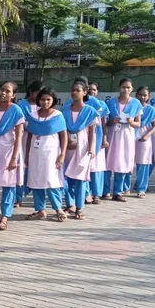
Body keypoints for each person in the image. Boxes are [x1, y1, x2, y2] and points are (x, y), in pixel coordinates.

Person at [0, 82, 26, 231]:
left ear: (13, 95)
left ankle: (5, 216)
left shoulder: (16, 111)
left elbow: (19, 137)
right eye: (2, 89)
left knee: (8, 184)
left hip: (9, 152)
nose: (3, 93)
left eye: (7, 91)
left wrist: (15, 158)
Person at [25, 88, 68, 222]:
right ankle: (40, 210)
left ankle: (58, 209)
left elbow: (64, 136)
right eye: (43, 99)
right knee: (36, 181)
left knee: (51, 181)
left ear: (53, 100)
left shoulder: (57, 116)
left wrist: (62, 154)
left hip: (52, 153)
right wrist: (26, 154)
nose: (45, 102)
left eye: (48, 99)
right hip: (35, 153)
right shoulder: (33, 116)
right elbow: (29, 136)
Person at [61, 82, 98, 219]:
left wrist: (91, 148)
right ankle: (70, 204)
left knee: (80, 178)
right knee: (67, 177)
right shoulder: (64, 110)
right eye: (73, 90)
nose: (74, 92)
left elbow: (92, 132)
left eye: (78, 90)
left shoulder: (90, 111)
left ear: (85, 92)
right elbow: (61, 130)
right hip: (67, 147)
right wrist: (66, 143)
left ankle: (79, 207)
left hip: (83, 149)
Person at [105, 78, 143, 202]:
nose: (125, 90)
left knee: (123, 162)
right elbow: (106, 122)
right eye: (123, 87)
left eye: (128, 87)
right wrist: (113, 120)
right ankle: (105, 190)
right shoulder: (111, 102)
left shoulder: (136, 103)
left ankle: (118, 191)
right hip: (113, 135)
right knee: (108, 161)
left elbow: (138, 123)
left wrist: (132, 122)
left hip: (127, 136)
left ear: (132, 89)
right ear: (119, 88)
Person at [134, 86, 155, 197]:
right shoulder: (131, 107)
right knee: (127, 162)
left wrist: (147, 136)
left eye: (145, 95)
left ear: (148, 97)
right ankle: (124, 188)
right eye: (140, 94)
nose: (142, 97)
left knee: (143, 163)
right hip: (131, 136)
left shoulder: (150, 109)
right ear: (136, 95)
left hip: (144, 138)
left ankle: (141, 188)